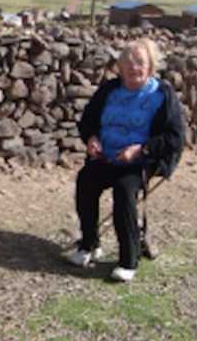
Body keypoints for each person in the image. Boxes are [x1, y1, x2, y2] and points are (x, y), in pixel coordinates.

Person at [66, 38, 185, 282]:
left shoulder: (162, 94)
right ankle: (89, 244)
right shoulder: (110, 89)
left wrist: (140, 150)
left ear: (151, 66)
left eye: (140, 62)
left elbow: (174, 137)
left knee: (123, 190)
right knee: (85, 180)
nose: (133, 67)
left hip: (140, 161)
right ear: (120, 66)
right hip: (106, 156)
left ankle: (128, 260)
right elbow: (88, 120)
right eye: (128, 62)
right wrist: (91, 138)